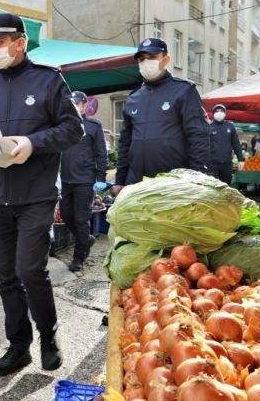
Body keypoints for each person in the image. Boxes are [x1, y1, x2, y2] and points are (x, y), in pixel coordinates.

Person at [0, 13, 83, 377]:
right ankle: (18, 346)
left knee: (31, 269)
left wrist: (34, 142)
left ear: (20, 42)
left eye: (0, 43)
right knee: (7, 276)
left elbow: (73, 129)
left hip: (36, 193)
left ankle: (49, 336)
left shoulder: (48, 80)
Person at [113, 38, 210, 196]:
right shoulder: (133, 98)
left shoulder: (184, 91)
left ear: (166, 60)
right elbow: (125, 142)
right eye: (142, 59)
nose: (146, 62)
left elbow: (198, 136)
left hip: (173, 181)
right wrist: (119, 181)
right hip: (136, 182)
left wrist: (197, 178)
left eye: (152, 57)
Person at [60, 91, 108, 272]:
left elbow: (101, 153)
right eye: (70, 103)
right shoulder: (64, 125)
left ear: (84, 105)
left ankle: (79, 258)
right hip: (66, 179)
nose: (73, 106)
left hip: (85, 180)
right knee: (66, 215)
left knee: (81, 220)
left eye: (76, 103)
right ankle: (86, 239)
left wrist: (101, 178)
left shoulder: (94, 126)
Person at [208, 104, 244, 185]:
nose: (219, 113)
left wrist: (241, 159)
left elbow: (236, 144)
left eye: (221, 111)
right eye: (217, 111)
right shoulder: (209, 126)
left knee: (226, 186)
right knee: (212, 187)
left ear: (225, 113)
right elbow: (203, 144)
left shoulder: (230, 126)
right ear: (213, 114)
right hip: (212, 163)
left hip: (227, 163)